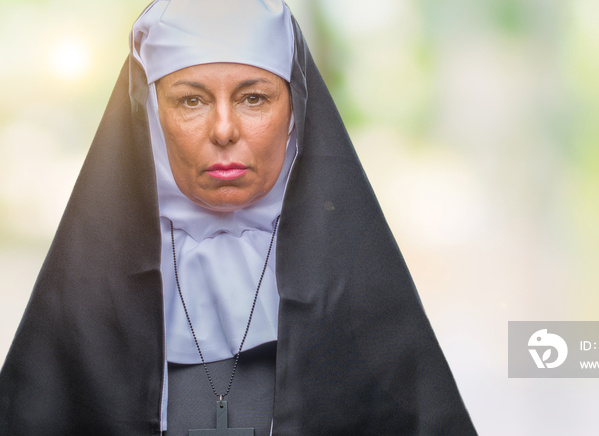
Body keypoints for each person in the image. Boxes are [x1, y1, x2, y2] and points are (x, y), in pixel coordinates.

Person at [0, 1, 477, 434]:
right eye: (191, 100)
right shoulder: (86, 297)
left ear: (294, 111)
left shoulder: (358, 291)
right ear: (150, 114)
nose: (224, 130)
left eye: (254, 98)